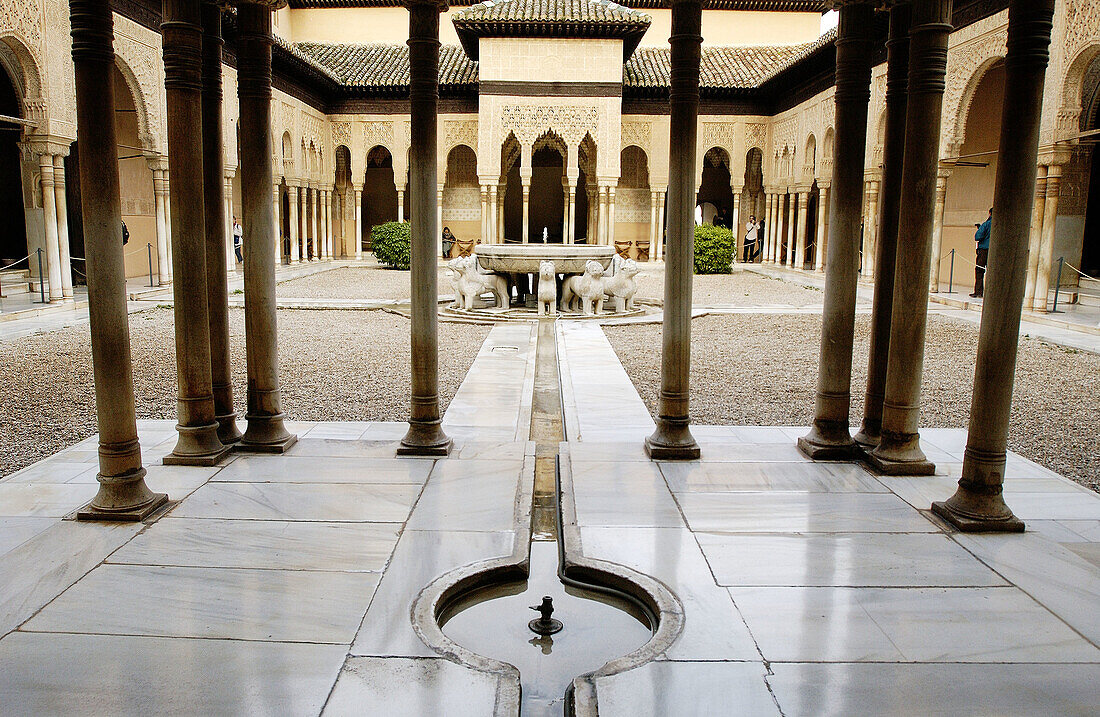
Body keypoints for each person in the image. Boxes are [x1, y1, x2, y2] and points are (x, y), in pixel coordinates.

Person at [971, 208, 991, 298]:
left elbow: (978, 236)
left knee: (979, 270)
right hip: (995, 252)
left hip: (984, 250)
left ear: (990, 213)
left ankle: (978, 292)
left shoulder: (986, 224)